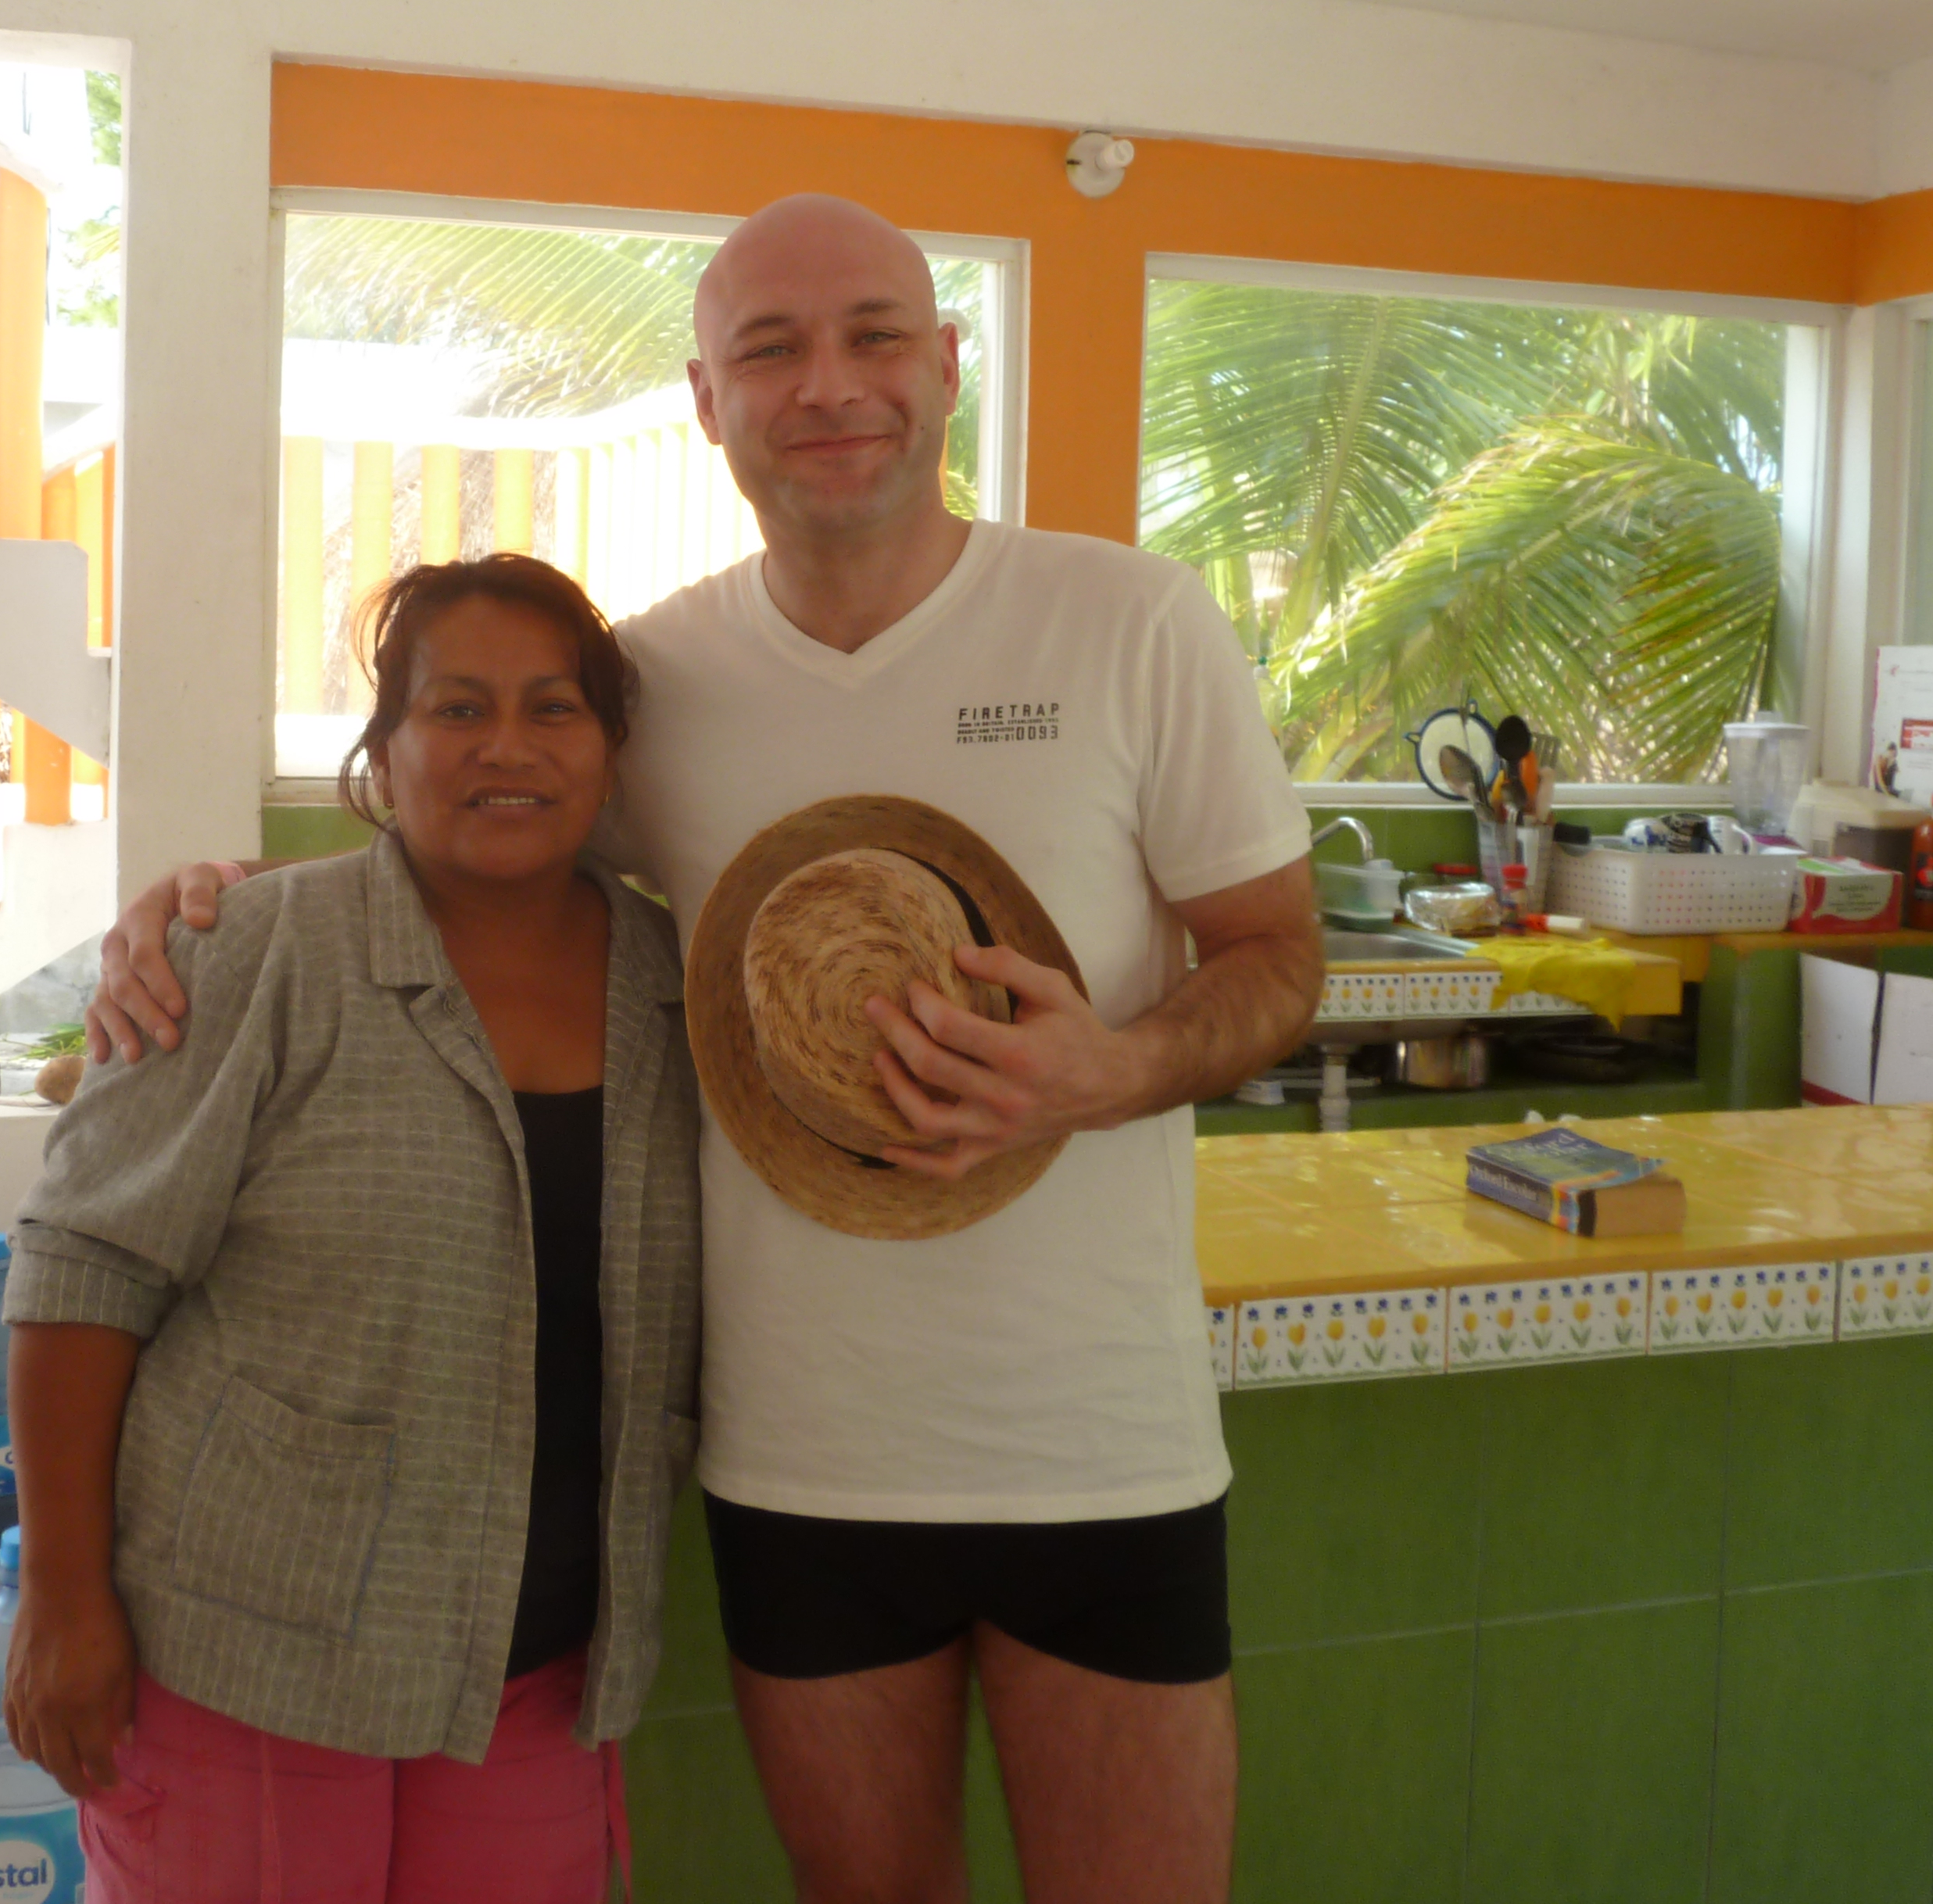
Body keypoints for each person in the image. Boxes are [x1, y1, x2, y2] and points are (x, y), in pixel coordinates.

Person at [88, 194, 1323, 1904]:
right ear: (705, 400)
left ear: (945, 365)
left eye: (873, 337)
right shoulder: (654, 683)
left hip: (1102, 1444)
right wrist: (212, 905)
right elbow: (474, 842)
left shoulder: (1129, 622)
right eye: (770, 349)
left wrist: (1112, 1071)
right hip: (796, 1460)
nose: (829, 385)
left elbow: (1278, 955)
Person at [3, 555, 701, 1903]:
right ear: (384, 752)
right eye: (458, 709)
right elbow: (82, 1272)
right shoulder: (251, 951)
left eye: (555, 709)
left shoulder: (679, 990)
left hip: (542, 1670)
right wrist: (64, 1600)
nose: (508, 746)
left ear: (612, 756)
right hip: (249, 1656)